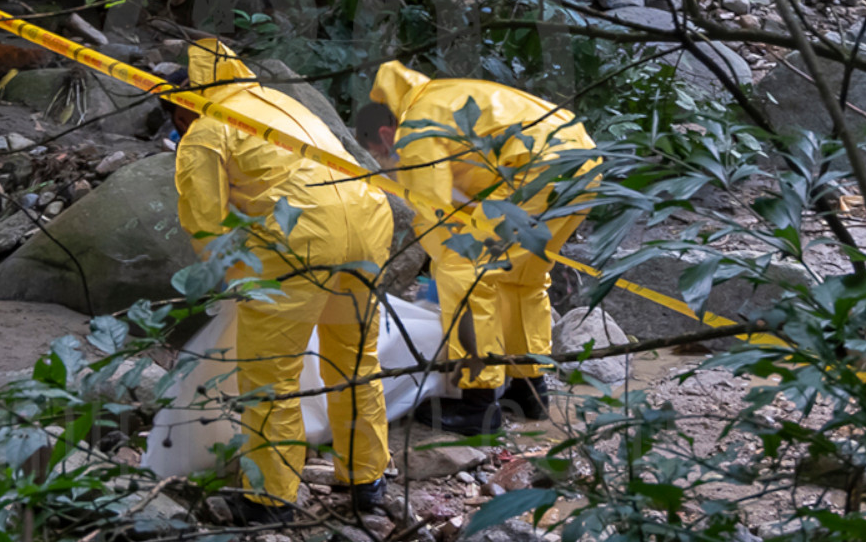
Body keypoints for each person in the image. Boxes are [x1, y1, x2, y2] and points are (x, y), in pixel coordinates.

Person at [164, 40, 395, 524]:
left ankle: (271, 499)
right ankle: (366, 478)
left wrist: (232, 280)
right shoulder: (277, 101)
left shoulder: (205, 131)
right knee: (353, 361)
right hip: (370, 228)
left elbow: (204, 223)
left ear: (183, 109)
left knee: (271, 374)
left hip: (303, 242)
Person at [355, 61, 598, 436]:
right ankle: (529, 387)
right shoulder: (441, 97)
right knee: (523, 277)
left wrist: (438, 267)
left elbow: (434, 214)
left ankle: (480, 403)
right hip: (582, 162)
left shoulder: (416, 128)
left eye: (382, 155)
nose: (388, 163)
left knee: (461, 269)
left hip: (538, 169)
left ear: (387, 134)